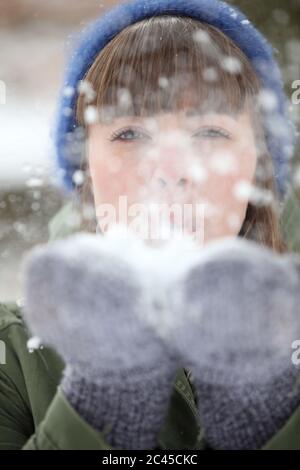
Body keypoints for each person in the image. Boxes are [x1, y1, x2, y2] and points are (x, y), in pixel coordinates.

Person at [1, 0, 300, 450]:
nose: (170, 170)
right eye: (130, 134)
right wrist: (103, 401)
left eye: (210, 133)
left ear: (259, 167)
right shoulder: (13, 358)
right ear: (86, 168)